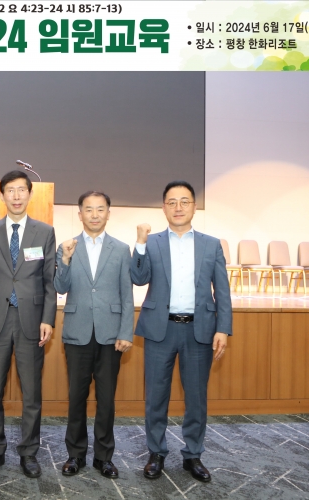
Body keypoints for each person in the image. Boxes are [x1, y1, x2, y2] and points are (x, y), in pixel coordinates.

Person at [131, 180, 232, 483]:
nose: (178, 207)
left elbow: (222, 291)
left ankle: (193, 455)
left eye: (184, 201)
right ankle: (156, 453)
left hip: (199, 330)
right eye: (172, 202)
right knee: (156, 397)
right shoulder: (153, 242)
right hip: (160, 329)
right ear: (164, 207)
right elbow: (138, 277)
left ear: (194, 207)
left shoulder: (211, 244)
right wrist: (140, 242)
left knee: (197, 398)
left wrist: (223, 328)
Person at [0, 170, 56, 478]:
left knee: (31, 393)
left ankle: (29, 452)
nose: (16, 196)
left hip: (31, 320)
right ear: (2, 195)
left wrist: (48, 318)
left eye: (21, 190)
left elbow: (49, 280)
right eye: (10, 190)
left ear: (30, 194)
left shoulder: (44, 232)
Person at [53, 191, 134, 479]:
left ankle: (104, 457)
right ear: (80, 214)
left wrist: (126, 331)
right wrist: (64, 259)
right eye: (89, 209)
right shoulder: (67, 247)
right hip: (77, 332)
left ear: (108, 213)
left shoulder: (121, 249)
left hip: (111, 335)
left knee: (106, 399)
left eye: (100, 209)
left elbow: (126, 293)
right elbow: (60, 287)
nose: (95, 214)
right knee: (76, 397)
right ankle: (75, 454)